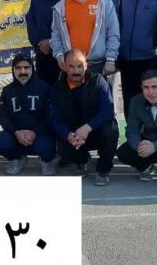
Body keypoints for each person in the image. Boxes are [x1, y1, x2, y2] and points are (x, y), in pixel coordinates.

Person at [51, 49, 119, 185]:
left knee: (110, 128)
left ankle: (103, 170)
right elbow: (55, 119)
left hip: (95, 132)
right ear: (64, 66)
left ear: (86, 65)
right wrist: (68, 135)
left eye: (80, 66)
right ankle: (82, 160)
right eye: (71, 66)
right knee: (67, 156)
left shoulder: (98, 81)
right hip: (73, 136)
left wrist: (87, 128)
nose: (76, 71)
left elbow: (108, 111)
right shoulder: (57, 88)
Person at [0, 54, 57, 175]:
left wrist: (35, 132)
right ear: (13, 70)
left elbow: (51, 116)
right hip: (16, 136)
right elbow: (1, 116)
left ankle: (46, 161)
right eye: (18, 68)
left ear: (32, 68)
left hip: (39, 136)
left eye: (26, 67)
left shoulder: (44, 88)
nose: (22, 72)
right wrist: (16, 132)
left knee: (48, 146)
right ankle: (17, 158)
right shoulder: (7, 90)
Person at [50, 0, 119, 77]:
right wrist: (59, 56)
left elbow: (113, 33)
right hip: (72, 67)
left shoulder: (105, 3)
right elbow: (56, 35)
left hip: (98, 66)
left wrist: (111, 60)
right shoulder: (61, 6)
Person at [26, 0, 72, 85]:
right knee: (44, 93)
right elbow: (31, 23)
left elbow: (74, 27)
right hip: (43, 56)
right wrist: (40, 43)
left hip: (67, 57)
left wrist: (51, 42)